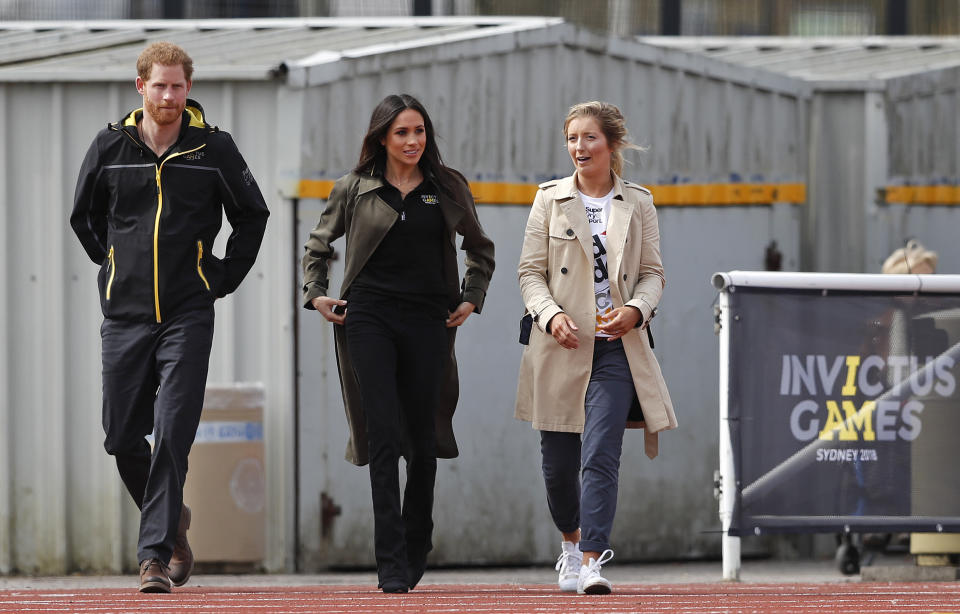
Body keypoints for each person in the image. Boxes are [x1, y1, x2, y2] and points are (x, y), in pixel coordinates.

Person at [70, 42, 269, 593]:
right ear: (141, 87)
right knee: (120, 437)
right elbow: (83, 217)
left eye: (178, 86)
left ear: (188, 88)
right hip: (125, 315)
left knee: (174, 433)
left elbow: (252, 216)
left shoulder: (213, 149)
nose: (169, 96)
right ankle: (174, 522)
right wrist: (114, 265)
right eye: (159, 85)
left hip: (187, 313)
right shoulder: (110, 147)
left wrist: (220, 276)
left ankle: (154, 556)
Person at [301, 94, 495, 593]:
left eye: (419, 131)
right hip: (368, 318)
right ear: (382, 138)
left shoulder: (447, 187)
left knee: (423, 439)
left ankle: (416, 540)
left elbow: (480, 249)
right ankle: (390, 562)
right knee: (382, 434)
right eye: (402, 132)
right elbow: (318, 246)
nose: (412, 141)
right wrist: (317, 295)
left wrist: (471, 298)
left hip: (429, 320)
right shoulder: (354, 187)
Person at [515, 101, 677, 595]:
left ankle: (592, 561)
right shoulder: (549, 199)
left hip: (616, 347)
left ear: (612, 145)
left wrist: (637, 311)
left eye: (589, 139)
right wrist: (551, 315)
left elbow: (652, 273)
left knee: (601, 453)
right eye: (572, 139)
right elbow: (529, 273)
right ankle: (570, 544)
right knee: (558, 464)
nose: (579, 148)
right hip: (560, 344)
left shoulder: (639, 202)